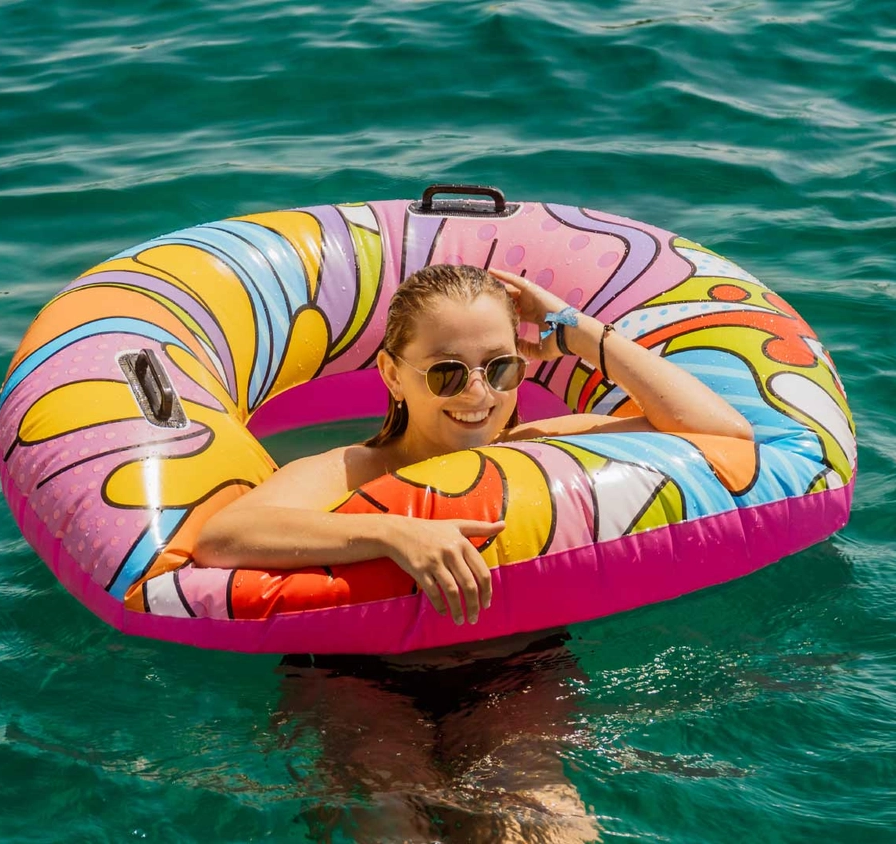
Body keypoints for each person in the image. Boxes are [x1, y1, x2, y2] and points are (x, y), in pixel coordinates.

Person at [194, 264, 754, 842]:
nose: (478, 393)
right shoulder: (353, 470)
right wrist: (393, 533)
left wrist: (577, 330)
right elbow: (223, 538)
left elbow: (720, 436)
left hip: (512, 668)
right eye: (446, 373)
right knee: (389, 812)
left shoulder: (545, 450)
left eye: (500, 367)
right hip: (358, 675)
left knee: (541, 814)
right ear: (391, 373)